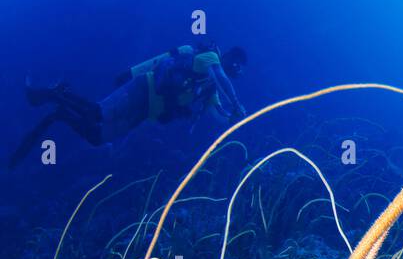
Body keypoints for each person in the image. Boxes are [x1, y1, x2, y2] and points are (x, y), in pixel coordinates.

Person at [11, 44, 248, 168]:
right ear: (228, 57)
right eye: (236, 64)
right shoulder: (210, 58)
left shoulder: (210, 90)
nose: (236, 70)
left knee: (97, 137)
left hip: (148, 111)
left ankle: (61, 112)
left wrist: (233, 119)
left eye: (239, 69)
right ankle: (55, 92)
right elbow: (220, 77)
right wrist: (237, 103)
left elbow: (218, 114)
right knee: (98, 112)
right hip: (143, 89)